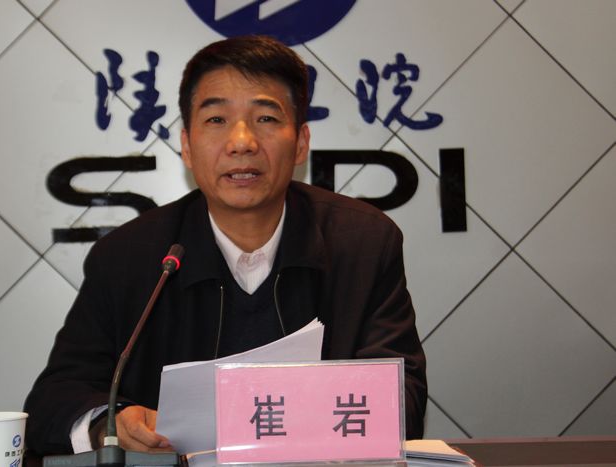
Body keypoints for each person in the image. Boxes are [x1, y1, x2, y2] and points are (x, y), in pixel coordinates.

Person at [24, 35, 426, 455]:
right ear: (186, 145)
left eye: (266, 118)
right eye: (216, 119)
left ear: (301, 143)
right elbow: (55, 400)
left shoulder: (362, 243)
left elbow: (403, 401)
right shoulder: (129, 257)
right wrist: (113, 422)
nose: (242, 142)